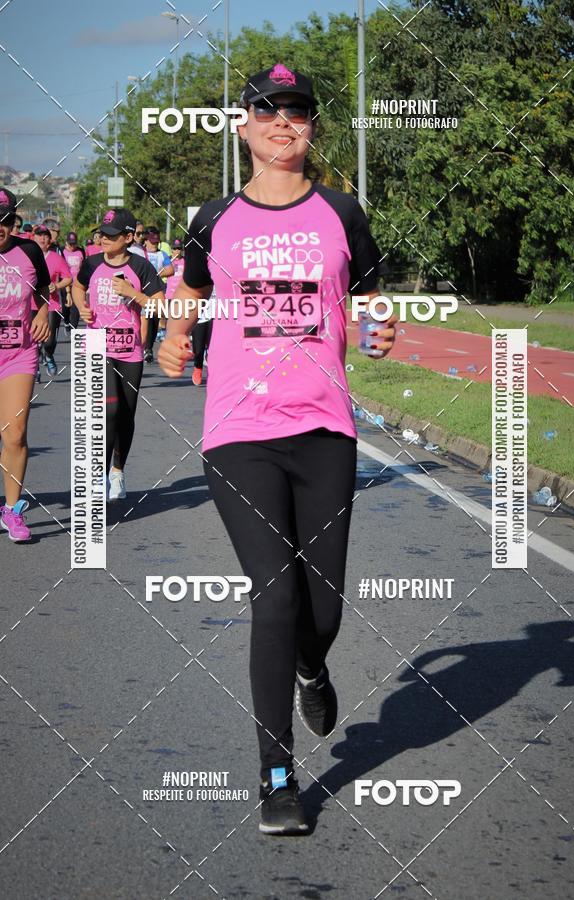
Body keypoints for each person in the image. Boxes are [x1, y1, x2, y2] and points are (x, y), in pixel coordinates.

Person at [159, 65, 396, 834]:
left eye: (296, 110)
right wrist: (174, 332)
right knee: (276, 591)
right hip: (239, 433)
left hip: (325, 427)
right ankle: (276, 773)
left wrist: (381, 330)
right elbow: (191, 290)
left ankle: (312, 664)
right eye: (268, 110)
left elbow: (369, 298)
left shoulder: (340, 211)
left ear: (310, 126)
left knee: (321, 605)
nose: (282, 121)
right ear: (244, 125)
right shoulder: (214, 215)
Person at [72, 208, 165, 501]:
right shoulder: (91, 263)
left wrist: (132, 293)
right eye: (102, 233)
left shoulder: (141, 268)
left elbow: (160, 308)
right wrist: (81, 306)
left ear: (127, 237)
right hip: (97, 345)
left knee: (126, 414)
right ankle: (97, 474)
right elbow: (77, 286)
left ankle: (117, 471)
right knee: (109, 410)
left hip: (130, 350)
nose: (103, 239)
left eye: (111, 236)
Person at [0, 188, 51, 541]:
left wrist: (45, 312)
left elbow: (44, 291)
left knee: (14, 433)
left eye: (4, 220)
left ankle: (12, 509)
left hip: (19, 351)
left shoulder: (30, 250)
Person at [32, 226, 72, 376]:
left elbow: (68, 278)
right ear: (34, 238)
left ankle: (48, 355)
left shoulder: (56, 258)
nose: (42, 238)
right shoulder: (28, 255)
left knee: (49, 340)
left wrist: (57, 286)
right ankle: (34, 367)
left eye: (45, 236)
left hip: (52, 304)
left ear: (50, 240)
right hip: (30, 303)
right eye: (39, 235)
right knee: (32, 339)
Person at [141, 226, 173, 361]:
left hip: (157, 290)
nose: (154, 244)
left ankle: (148, 348)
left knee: (154, 320)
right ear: (145, 241)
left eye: (156, 242)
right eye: (151, 242)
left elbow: (170, 270)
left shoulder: (162, 255)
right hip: (141, 291)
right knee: (144, 318)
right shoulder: (139, 253)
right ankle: (142, 347)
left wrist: (156, 274)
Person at [62, 231, 85, 332]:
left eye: (74, 243)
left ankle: (73, 329)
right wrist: (67, 289)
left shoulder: (80, 251)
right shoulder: (62, 251)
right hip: (65, 282)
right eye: (70, 243)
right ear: (66, 242)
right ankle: (66, 321)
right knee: (66, 307)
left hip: (77, 284)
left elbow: (84, 266)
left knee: (75, 308)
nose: (72, 246)